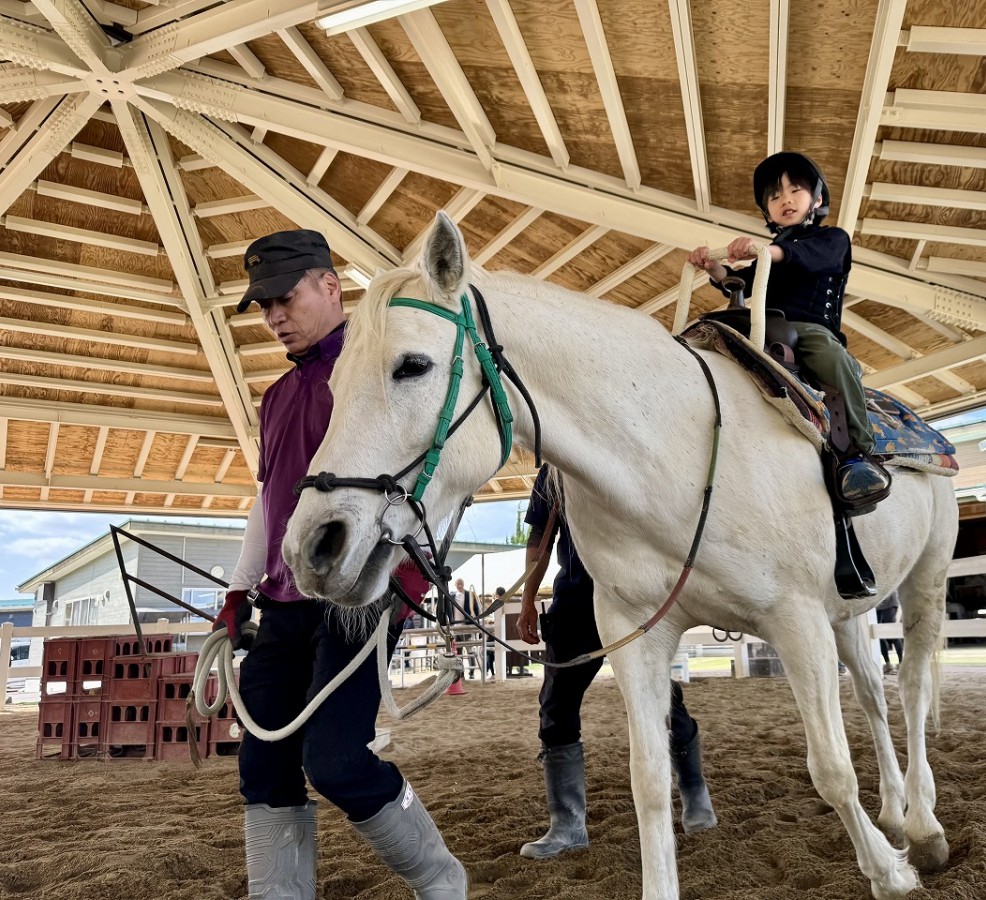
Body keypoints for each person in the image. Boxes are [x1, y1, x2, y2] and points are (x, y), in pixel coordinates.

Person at [213, 229, 466, 900]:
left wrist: (412, 568)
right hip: (283, 604)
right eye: (263, 306)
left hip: (360, 597)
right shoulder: (275, 399)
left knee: (336, 762)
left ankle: (439, 877)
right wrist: (238, 593)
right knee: (262, 766)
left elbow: (440, 468)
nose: (272, 317)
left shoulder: (384, 365)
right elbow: (268, 503)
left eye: (284, 299)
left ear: (330, 286)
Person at [516, 465, 717, 859]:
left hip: (629, 596)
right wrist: (526, 600)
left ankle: (694, 792)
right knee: (555, 708)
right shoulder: (551, 474)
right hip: (574, 602)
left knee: (659, 698)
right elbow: (539, 537)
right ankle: (567, 825)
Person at [687, 151, 890, 506]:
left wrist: (765, 251)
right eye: (775, 196)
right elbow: (742, 283)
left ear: (818, 199)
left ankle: (858, 452)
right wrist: (714, 268)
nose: (786, 200)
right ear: (767, 211)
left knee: (832, 358)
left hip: (808, 330)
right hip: (763, 327)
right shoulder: (771, 253)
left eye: (795, 191)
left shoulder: (832, 240)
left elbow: (809, 258)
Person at [877, 592, 903, 675]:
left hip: (889, 600)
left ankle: (901, 662)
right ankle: (887, 663)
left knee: (893, 632)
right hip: (875, 604)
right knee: (877, 634)